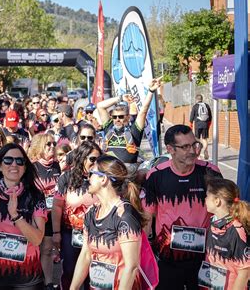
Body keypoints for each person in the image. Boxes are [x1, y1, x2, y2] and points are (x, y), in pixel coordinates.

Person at [142, 124, 222, 290]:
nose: (192, 150)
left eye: (194, 144)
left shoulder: (211, 172)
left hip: (204, 258)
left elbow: (223, 213)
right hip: (167, 257)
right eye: (185, 147)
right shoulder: (155, 175)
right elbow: (147, 218)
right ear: (170, 149)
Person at [71, 155, 147, 290]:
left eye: (91, 174)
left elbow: (132, 267)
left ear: (103, 179)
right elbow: (86, 254)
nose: (87, 178)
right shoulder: (91, 213)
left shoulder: (125, 215)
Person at [0, 143, 47, 289]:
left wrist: (15, 216)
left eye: (19, 161)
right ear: (0, 166)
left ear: (25, 167)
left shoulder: (36, 196)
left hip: (28, 279)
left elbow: (37, 238)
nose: (14, 164)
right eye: (8, 160)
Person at [52, 141, 102, 289]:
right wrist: (56, 232)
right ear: (82, 158)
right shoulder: (66, 178)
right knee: (69, 271)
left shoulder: (102, 177)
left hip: (97, 234)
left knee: (92, 274)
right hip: (71, 233)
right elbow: (57, 206)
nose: (96, 163)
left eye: (98, 159)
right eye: (92, 159)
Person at [97, 77, 161, 165]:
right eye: (114, 117)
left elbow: (143, 111)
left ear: (127, 117)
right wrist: (121, 98)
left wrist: (151, 91)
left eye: (121, 116)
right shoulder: (109, 127)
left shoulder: (134, 131)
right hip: (109, 170)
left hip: (128, 172)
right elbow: (100, 106)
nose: (117, 119)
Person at [201, 178, 249, 290]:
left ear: (217, 201)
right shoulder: (213, 221)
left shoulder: (237, 230)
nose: (205, 199)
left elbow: (245, 272)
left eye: (207, 196)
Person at [28, 134, 61, 290]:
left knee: (47, 249)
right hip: (37, 214)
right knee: (37, 249)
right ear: (39, 146)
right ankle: (36, 280)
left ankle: (48, 283)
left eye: (53, 143)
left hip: (52, 213)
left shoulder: (56, 166)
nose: (52, 146)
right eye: (48, 144)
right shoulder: (32, 167)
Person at [189, 94, 212, 160]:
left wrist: (191, 125)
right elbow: (210, 117)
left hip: (198, 124)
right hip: (205, 124)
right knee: (204, 139)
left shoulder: (195, 106)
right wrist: (208, 124)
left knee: (196, 139)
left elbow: (191, 118)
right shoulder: (206, 106)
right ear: (202, 99)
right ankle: (205, 150)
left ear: (196, 99)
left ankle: (198, 155)